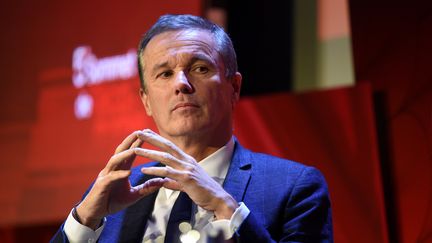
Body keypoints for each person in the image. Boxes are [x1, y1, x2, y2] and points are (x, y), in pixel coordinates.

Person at [51, 14, 333, 243]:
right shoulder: (112, 195)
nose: (181, 84)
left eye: (199, 68)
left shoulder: (294, 187)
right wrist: (84, 219)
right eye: (165, 74)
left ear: (234, 88)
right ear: (146, 101)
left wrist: (225, 208)